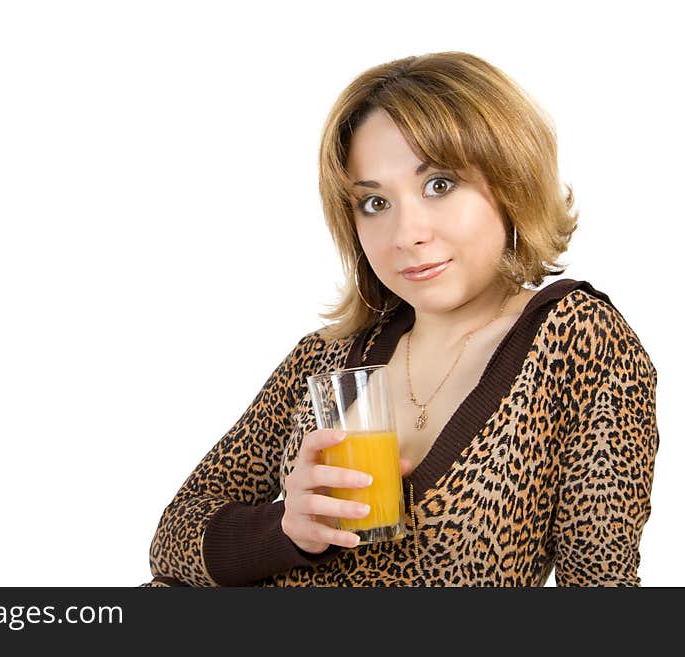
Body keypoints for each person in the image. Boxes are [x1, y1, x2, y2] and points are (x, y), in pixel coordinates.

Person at [141, 51, 659, 587]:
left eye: (439, 184)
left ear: (512, 181)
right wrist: (286, 531)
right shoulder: (328, 354)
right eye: (374, 203)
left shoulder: (579, 341)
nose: (406, 233)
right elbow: (173, 540)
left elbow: (603, 589)